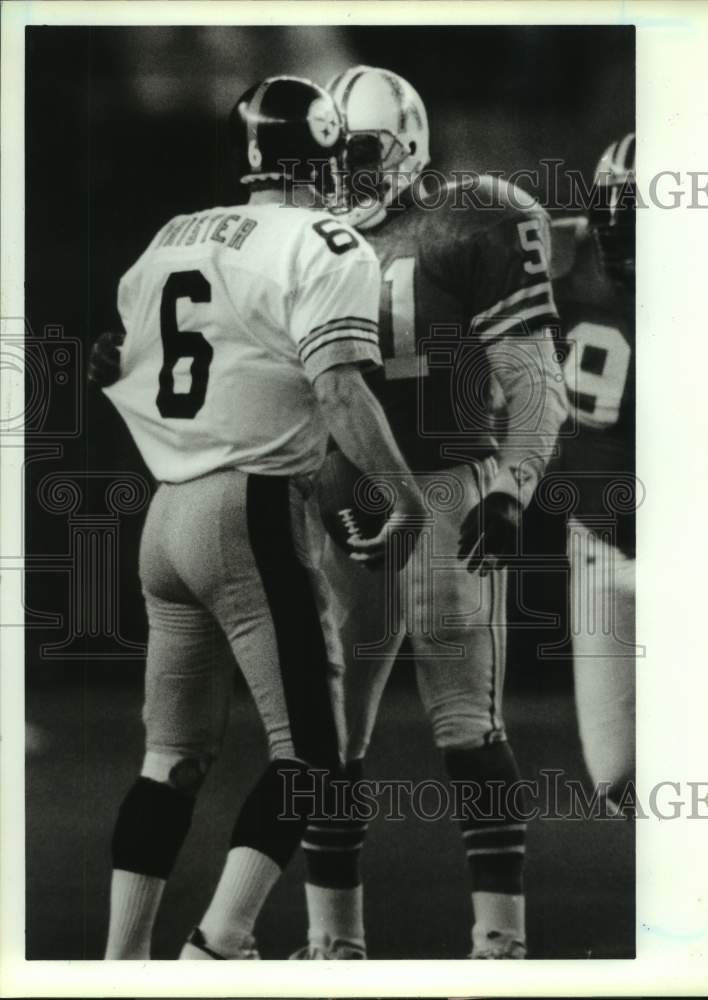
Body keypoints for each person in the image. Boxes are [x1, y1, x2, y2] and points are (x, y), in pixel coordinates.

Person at [95, 75, 425, 960]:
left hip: (166, 520)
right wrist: (402, 491)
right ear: (322, 148)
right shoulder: (325, 241)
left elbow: (115, 357)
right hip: (248, 512)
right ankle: (219, 944)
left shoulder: (171, 237)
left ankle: (119, 966)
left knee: (170, 762)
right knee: (312, 762)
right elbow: (339, 389)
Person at [292, 66, 567, 960]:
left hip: (446, 487)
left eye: (360, 152)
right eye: (328, 155)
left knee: (463, 724)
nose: (339, 175)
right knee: (326, 734)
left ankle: (500, 942)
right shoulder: (296, 234)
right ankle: (333, 945)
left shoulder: (473, 215)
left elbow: (534, 378)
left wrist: (509, 487)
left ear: (406, 144)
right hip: (340, 495)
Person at [550, 134, 636, 811]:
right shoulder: (562, 256)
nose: (618, 231)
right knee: (615, 778)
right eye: (612, 213)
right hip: (594, 541)